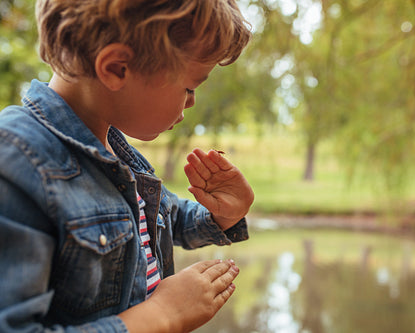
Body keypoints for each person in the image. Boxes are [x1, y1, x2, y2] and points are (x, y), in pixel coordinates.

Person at [0, 0, 254, 332]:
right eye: (189, 87)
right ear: (117, 68)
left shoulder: (113, 148)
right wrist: (163, 314)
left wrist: (222, 215)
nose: (192, 102)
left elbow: (159, 219)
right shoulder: (18, 160)